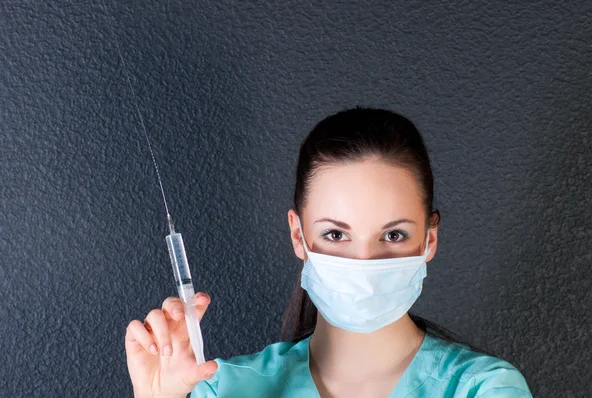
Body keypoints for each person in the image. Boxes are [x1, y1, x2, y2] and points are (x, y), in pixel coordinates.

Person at [125, 108, 533, 397]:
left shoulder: (483, 389)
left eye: (393, 236)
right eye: (336, 235)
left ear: (429, 240)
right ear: (298, 236)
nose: (363, 264)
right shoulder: (226, 389)